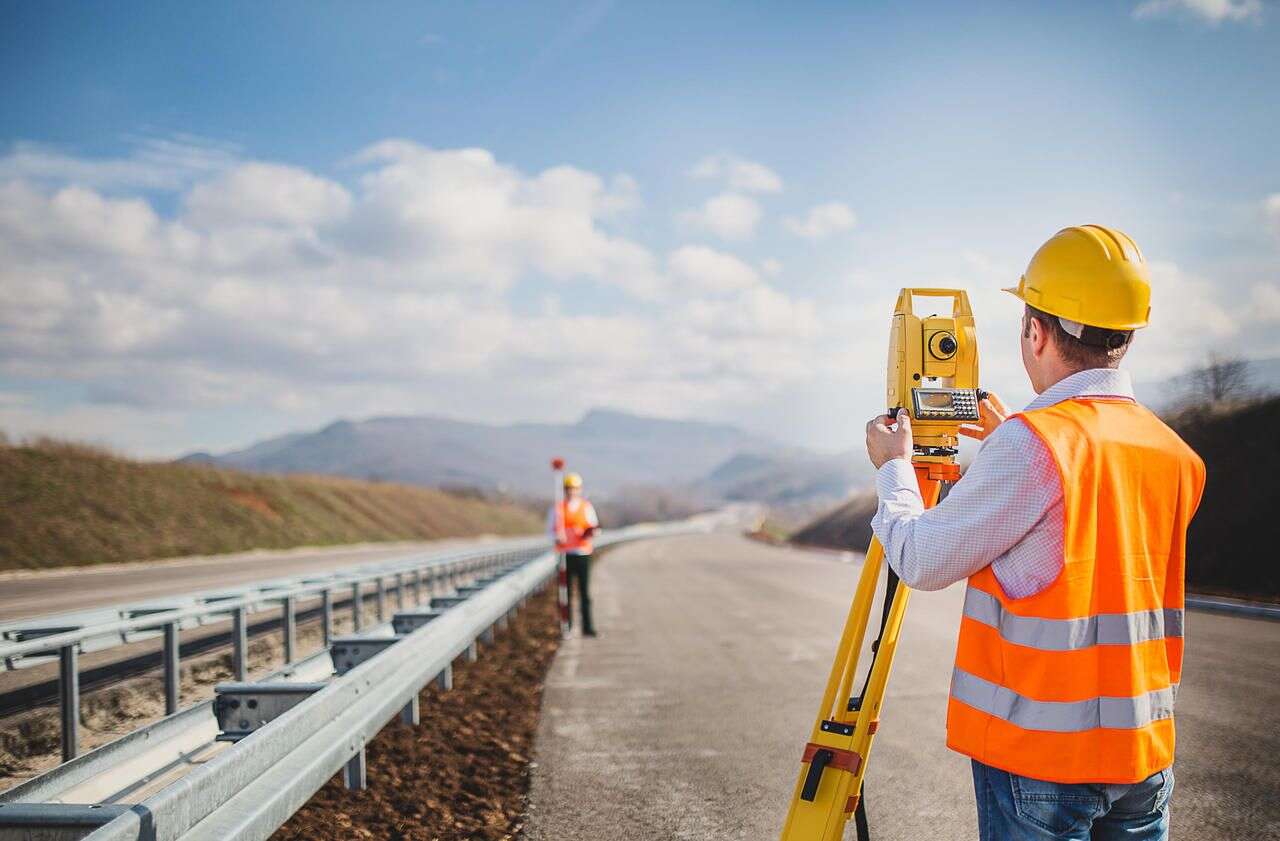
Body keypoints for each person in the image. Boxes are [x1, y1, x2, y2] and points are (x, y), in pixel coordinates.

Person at [863, 225, 1205, 840]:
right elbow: (1088, 532)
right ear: (1125, 337)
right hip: (1142, 757)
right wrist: (1007, 441)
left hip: (1043, 763)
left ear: (1037, 331)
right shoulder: (1173, 452)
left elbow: (919, 558)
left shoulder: (1034, 445)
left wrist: (894, 467)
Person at [549, 471, 600, 637]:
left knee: (585, 592)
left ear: (580, 489)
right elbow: (550, 531)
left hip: (583, 553)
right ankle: (567, 627)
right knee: (566, 592)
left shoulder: (586, 507)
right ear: (565, 490)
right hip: (565, 555)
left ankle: (588, 627)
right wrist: (558, 537)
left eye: (575, 488)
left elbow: (594, 527)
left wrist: (590, 533)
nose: (572, 491)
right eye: (569, 488)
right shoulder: (558, 509)